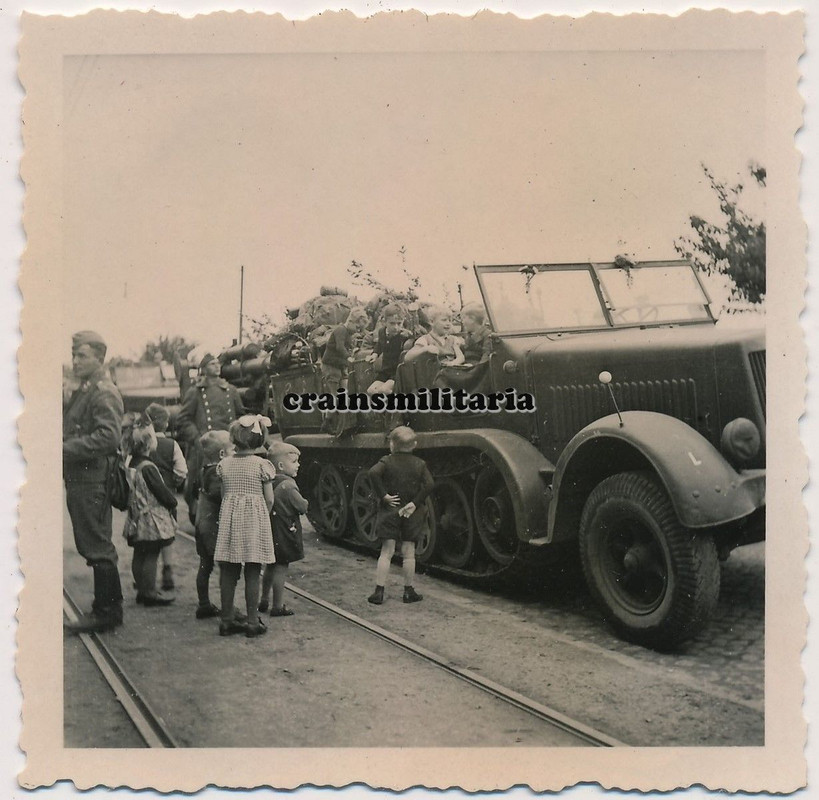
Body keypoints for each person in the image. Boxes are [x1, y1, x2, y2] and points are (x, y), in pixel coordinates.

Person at [63, 330, 125, 633]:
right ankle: (107, 608)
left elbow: (108, 437)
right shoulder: (86, 389)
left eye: (82, 355)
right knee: (90, 542)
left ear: (99, 358)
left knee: (97, 544)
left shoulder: (103, 391)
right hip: (81, 477)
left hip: (92, 479)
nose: (75, 361)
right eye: (74, 355)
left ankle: (107, 611)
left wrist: (61, 449)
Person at [215, 415, 276, 638]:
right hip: (254, 523)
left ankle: (227, 620)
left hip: (231, 521)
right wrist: (261, 517)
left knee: (228, 571)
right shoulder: (262, 465)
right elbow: (269, 499)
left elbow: (224, 496)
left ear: (234, 440)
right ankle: (252, 622)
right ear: (260, 440)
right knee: (252, 570)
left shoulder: (225, 465)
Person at [366, 426, 434, 605]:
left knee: (386, 552)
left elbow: (372, 473)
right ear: (415, 444)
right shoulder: (420, 463)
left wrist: (384, 496)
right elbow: (429, 485)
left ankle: (379, 592)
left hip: (391, 510)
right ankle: (408, 591)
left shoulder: (386, 461)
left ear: (391, 444)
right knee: (409, 552)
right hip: (411, 512)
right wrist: (414, 503)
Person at [177, 353, 245, 522]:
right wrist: (198, 439)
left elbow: (240, 417)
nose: (217, 366)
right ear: (204, 369)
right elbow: (183, 420)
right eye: (212, 364)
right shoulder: (195, 392)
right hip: (204, 447)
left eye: (217, 363)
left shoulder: (231, 390)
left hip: (228, 446)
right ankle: (198, 514)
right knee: (196, 483)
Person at [123, 421, 176, 606]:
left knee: (139, 553)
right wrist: (172, 502)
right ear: (148, 444)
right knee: (152, 554)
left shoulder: (131, 463)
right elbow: (161, 491)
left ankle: (142, 589)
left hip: (137, 516)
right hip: (151, 518)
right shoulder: (148, 467)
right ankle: (150, 592)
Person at [259, 442, 309, 617]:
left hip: (270, 530)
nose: (298, 465)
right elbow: (302, 507)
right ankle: (278, 606)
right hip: (284, 532)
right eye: (294, 461)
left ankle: (264, 599)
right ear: (281, 466)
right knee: (281, 567)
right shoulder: (289, 485)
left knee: (269, 567)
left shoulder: (268, 482)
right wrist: (306, 503)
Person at [145, 402, 187, 591]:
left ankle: (145, 579)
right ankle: (167, 570)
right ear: (165, 424)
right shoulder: (172, 444)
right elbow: (181, 470)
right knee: (167, 535)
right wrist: (173, 484)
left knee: (147, 541)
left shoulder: (141, 443)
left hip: (145, 497)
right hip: (166, 495)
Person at [193, 430, 233, 620]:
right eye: (233, 449)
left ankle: (204, 604)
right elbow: (220, 495)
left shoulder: (204, 470)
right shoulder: (217, 473)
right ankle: (228, 607)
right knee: (225, 567)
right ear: (222, 455)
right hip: (213, 527)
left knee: (205, 565)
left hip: (201, 524)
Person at [365, 304, 414, 395]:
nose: (396, 327)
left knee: (383, 390)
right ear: (384, 322)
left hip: (397, 373)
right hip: (385, 371)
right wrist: (375, 354)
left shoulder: (404, 336)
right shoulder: (382, 332)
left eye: (399, 323)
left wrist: (411, 335)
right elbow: (379, 345)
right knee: (371, 391)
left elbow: (417, 339)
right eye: (392, 323)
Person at [320, 306, 369, 393]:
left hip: (341, 365)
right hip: (331, 365)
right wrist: (349, 357)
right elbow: (340, 347)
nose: (357, 331)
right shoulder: (341, 330)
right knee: (334, 390)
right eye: (357, 327)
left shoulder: (349, 334)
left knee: (344, 388)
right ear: (350, 322)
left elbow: (349, 346)